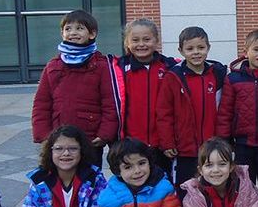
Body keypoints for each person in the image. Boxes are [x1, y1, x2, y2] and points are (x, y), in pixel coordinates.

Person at [32, 9, 118, 164]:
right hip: (59, 137)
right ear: (62, 33)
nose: (73, 33)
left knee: (89, 179)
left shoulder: (102, 66)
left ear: (92, 34)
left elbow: (110, 102)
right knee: (61, 177)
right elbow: (41, 103)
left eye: (79, 28)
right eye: (68, 29)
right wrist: (43, 134)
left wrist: (105, 133)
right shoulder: (53, 66)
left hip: (90, 138)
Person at [156, 26, 227, 187]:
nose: (196, 52)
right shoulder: (173, 77)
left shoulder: (217, 74)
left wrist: (224, 140)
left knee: (212, 188)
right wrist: (167, 142)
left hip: (211, 147)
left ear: (208, 48)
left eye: (201, 48)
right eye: (190, 48)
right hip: (184, 148)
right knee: (185, 189)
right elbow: (164, 113)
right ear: (181, 51)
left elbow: (224, 110)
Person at [108, 18, 179, 176]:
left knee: (162, 185)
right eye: (135, 40)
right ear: (127, 42)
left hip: (162, 145)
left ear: (156, 41)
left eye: (147, 39)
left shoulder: (170, 67)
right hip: (130, 144)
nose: (141, 44)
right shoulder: (117, 69)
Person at [216, 29, 258, 190]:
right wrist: (224, 140)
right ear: (246, 52)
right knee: (244, 186)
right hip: (242, 144)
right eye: (256, 49)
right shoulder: (233, 79)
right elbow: (225, 112)